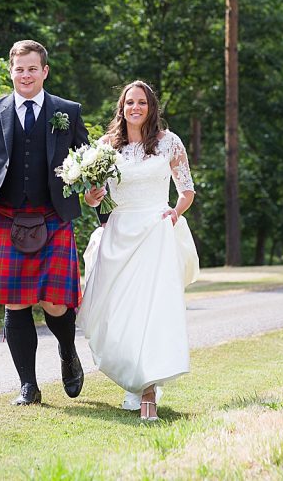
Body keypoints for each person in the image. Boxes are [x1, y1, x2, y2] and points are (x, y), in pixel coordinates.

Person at [0, 40, 90, 406]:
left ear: (45, 71)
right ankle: (28, 386)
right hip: (5, 218)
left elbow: (88, 161)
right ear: (10, 71)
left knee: (55, 302)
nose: (26, 75)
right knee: (16, 303)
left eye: (33, 68)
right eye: (19, 69)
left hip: (53, 217)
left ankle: (67, 351)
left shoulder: (67, 110)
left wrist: (99, 203)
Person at [77, 80, 199, 422]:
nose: (135, 107)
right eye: (129, 102)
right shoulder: (105, 148)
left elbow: (186, 190)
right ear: (121, 107)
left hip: (155, 232)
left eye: (141, 102)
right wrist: (91, 198)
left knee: (152, 309)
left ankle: (148, 392)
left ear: (151, 107)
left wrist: (175, 212)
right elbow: (93, 195)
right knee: (118, 313)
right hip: (118, 233)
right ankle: (133, 379)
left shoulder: (168, 143)